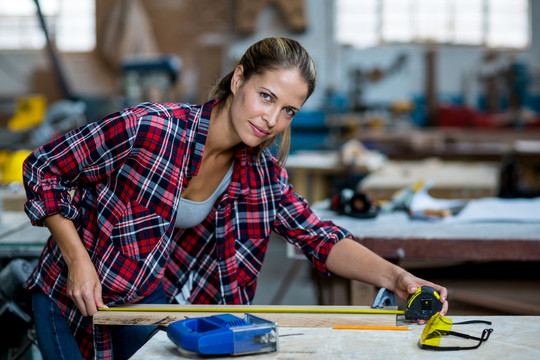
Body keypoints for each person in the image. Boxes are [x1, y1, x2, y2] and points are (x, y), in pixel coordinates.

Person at [23, 37, 448, 360]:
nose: (271, 119)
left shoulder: (260, 173)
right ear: (240, 77)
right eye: (267, 96)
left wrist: (397, 279)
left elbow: (318, 236)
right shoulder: (149, 129)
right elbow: (43, 169)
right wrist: (78, 259)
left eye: (288, 111)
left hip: (141, 297)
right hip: (70, 297)